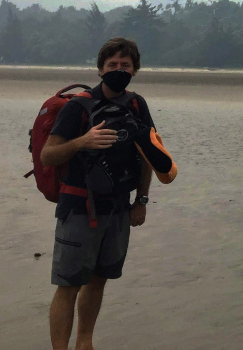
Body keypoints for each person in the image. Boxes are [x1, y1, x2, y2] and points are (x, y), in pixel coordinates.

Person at [40, 36, 176, 350]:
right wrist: (82, 142)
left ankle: (84, 343)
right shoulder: (78, 107)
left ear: (135, 70)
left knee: (99, 279)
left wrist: (141, 200)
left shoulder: (137, 104)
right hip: (78, 206)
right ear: (100, 69)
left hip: (118, 207)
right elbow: (49, 155)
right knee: (69, 284)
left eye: (124, 65)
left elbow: (150, 155)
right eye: (112, 64)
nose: (118, 69)